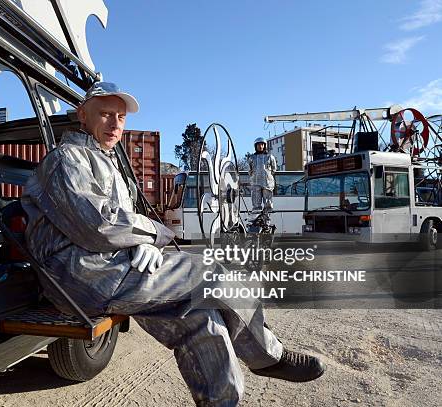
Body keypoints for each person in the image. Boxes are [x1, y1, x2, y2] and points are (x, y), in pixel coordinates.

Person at [21, 82, 324, 406]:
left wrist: (140, 245)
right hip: (80, 274)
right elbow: (100, 224)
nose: (115, 124)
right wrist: (155, 234)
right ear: (82, 114)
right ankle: (269, 356)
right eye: (106, 114)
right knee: (214, 274)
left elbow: (120, 222)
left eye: (121, 118)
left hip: (108, 268)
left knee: (201, 319)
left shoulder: (105, 161)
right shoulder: (67, 158)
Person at [248, 137, 277, 213]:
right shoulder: (251, 158)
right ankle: (256, 219)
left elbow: (274, 169)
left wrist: (268, 176)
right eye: (258, 145)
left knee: (268, 203)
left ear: (264, 146)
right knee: (256, 204)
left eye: (262, 145)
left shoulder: (270, 157)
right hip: (255, 182)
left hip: (267, 183)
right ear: (255, 146)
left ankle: (266, 220)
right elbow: (249, 170)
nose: (260, 146)